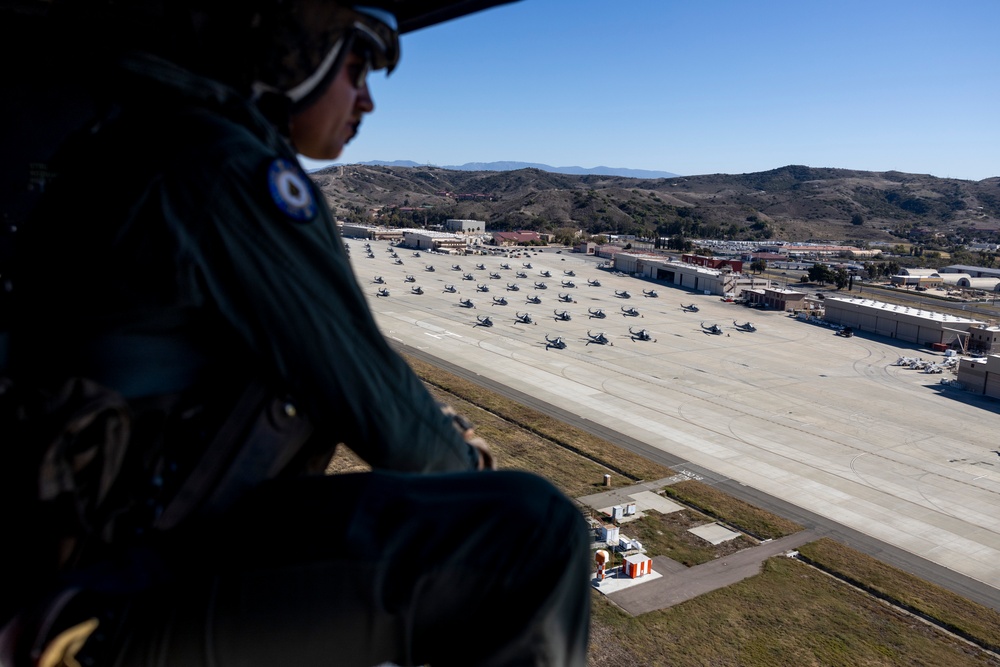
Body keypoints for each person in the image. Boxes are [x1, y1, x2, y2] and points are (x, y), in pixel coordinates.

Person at [1, 1, 591, 665]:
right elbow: (383, 411)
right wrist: (470, 462)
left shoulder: (136, 141)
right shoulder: (224, 166)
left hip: (88, 554)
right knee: (532, 534)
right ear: (294, 57)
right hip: (114, 592)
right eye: (356, 67)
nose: (366, 101)